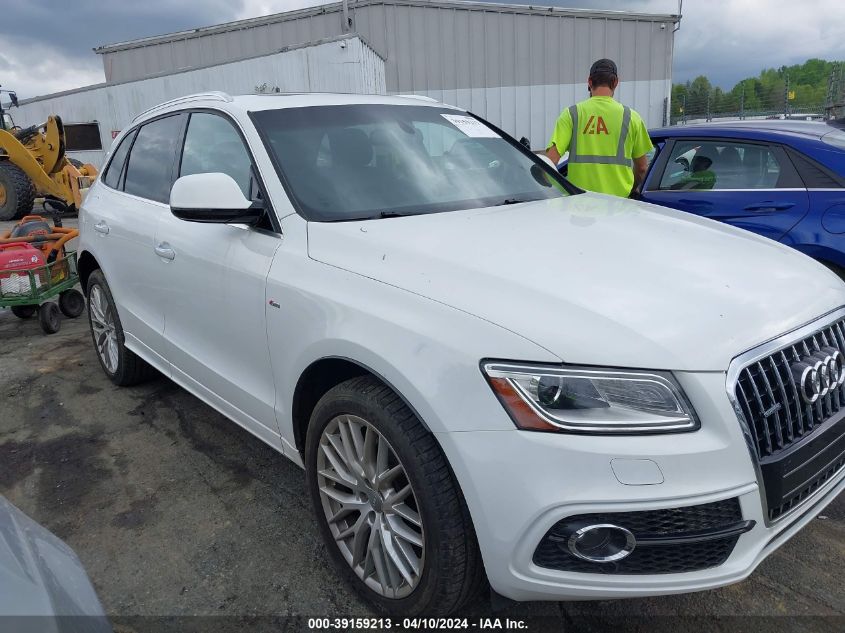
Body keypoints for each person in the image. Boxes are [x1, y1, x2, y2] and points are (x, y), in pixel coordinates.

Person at [546, 59, 653, 198]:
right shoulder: (632, 117)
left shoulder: (571, 114)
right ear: (615, 82)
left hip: (580, 207)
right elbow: (642, 168)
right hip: (618, 206)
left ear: (590, 82)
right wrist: (631, 189)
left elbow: (550, 161)